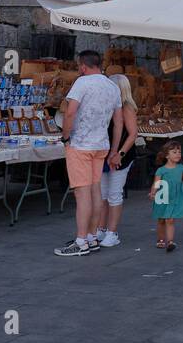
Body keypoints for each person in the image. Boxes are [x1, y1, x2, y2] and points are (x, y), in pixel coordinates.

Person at [54, 51, 124, 257]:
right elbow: (118, 122)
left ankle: (81, 240)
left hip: (81, 144)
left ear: (83, 66)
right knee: (95, 191)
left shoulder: (82, 83)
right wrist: (114, 149)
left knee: (82, 194)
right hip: (101, 143)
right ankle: (92, 236)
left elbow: (70, 111)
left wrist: (66, 137)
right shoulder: (112, 86)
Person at [96, 74, 139, 248]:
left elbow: (133, 134)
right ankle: (101, 227)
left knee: (114, 194)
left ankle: (112, 232)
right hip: (107, 154)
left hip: (122, 156)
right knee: (103, 194)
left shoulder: (127, 107)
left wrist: (119, 154)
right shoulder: (110, 105)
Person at [150, 141, 183, 251]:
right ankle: (160, 239)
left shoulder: (181, 168)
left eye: (179, 152)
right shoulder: (161, 170)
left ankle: (170, 242)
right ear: (167, 155)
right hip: (162, 196)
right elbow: (156, 183)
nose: (178, 154)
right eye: (174, 152)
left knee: (170, 219)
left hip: (175, 197)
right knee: (161, 219)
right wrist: (153, 192)